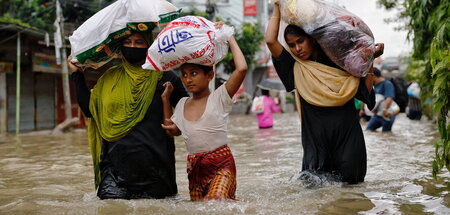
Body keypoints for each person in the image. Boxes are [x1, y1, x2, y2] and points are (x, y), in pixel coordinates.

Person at [265, 2, 383, 184]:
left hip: (347, 138)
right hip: (316, 144)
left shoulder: (340, 61)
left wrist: (369, 60)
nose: (297, 48)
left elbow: (365, 95)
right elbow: (271, 41)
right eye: (292, 45)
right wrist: (277, 6)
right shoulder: (294, 67)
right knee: (316, 191)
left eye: (300, 41)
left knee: (352, 191)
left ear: (312, 39)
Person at [67, 30, 189, 199]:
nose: (132, 46)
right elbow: (90, 110)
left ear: (148, 46)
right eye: (128, 42)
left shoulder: (165, 78)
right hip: (114, 173)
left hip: (156, 171)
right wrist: (77, 74)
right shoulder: (109, 79)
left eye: (139, 42)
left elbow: (188, 111)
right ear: (120, 45)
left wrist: (178, 124)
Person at [161, 22, 247, 201]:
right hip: (195, 169)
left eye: (193, 73)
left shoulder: (219, 97)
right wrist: (165, 99)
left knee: (215, 203)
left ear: (210, 75)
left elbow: (242, 69)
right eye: (184, 74)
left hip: (222, 165)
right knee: (200, 209)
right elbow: (171, 130)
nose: (187, 79)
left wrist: (228, 35)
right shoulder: (183, 103)